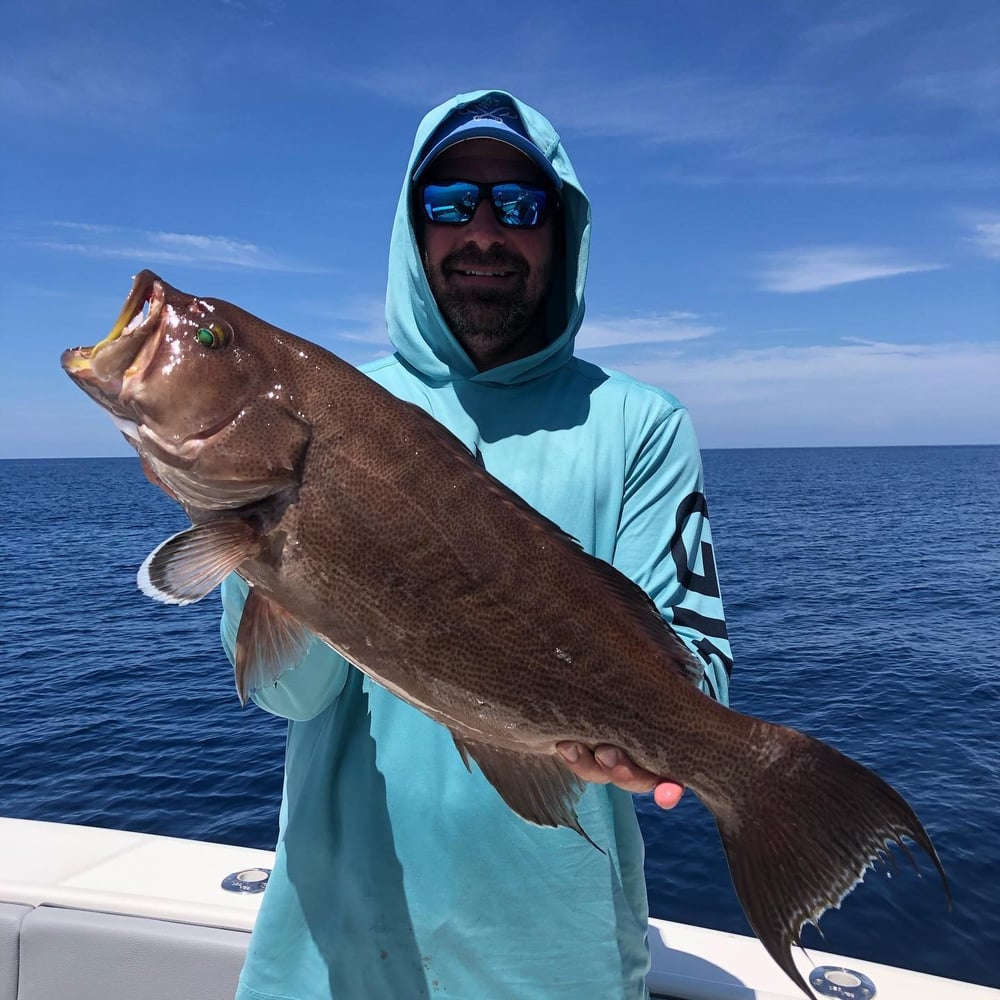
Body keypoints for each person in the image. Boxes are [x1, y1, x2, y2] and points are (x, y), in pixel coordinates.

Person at [220, 89, 732, 1000]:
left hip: (557, 968)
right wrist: (247, 524)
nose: (484, 232)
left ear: (561, 230)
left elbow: (699, 675)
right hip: (328, 963)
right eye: (450, 203)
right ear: (413, 231)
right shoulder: (334, 410)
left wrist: (659, 732)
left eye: (520, 206)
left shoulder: (639, 423)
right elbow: (287, 694)